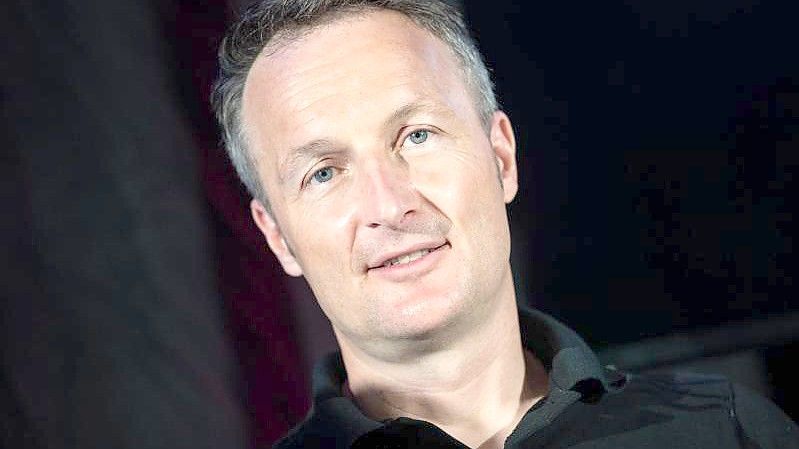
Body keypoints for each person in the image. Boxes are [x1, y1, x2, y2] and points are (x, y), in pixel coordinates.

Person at [211, 1, 798, 447]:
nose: (388, 205)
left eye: (416, 136)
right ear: (278, 237)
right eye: (324, 172)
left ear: (501, 158)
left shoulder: (729, 430)